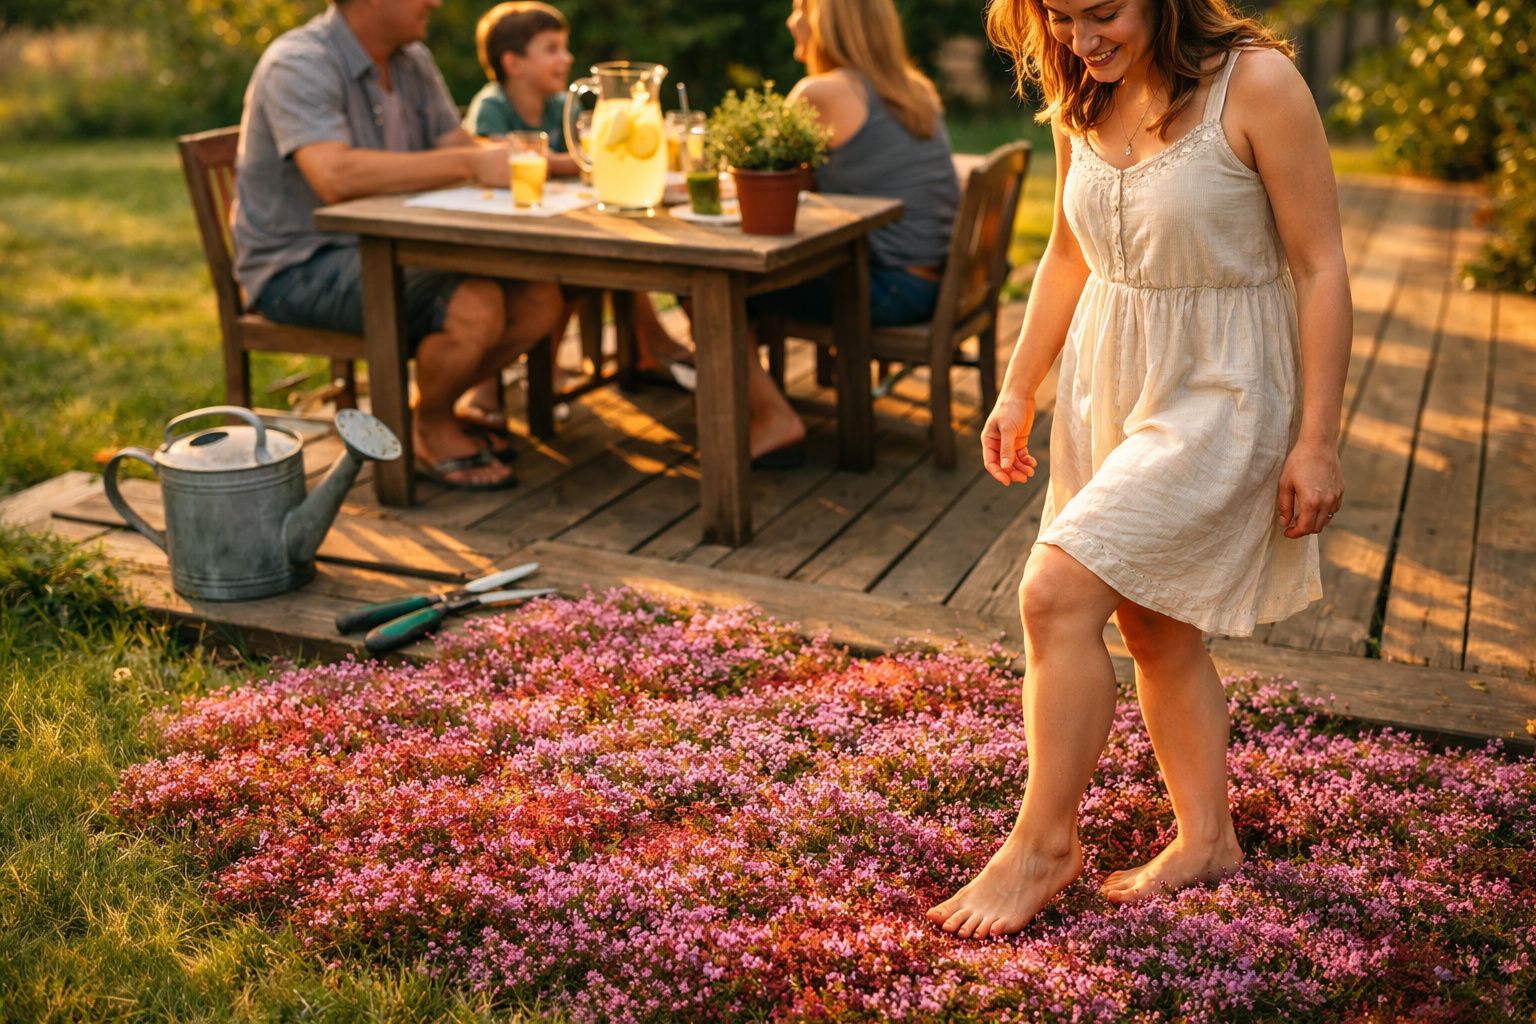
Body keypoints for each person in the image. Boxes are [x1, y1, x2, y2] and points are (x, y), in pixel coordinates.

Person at [927, 0, 1350, 937]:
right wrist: (1018, 386)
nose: (1082, 40)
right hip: (1108, 382)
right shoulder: (1085, 88)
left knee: (1052, 595)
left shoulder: (1260, 83)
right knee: (1154, 624)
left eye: (1104, 13)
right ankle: (1208, 839)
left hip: (1224, 390)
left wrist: (1317, 439)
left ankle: (1043, 844)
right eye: (1063, 17)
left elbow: (1321, 267)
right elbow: (1067, 255)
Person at [233, 0, 566, 491]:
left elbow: (457, 144)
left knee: (541, 299)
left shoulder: (413, 59)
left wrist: (566, 164)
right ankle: (429, 428)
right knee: (475, 305)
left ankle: (422, 412)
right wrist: (468, 165)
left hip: (397, 247)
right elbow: (334, 175)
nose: (435, 2)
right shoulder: (298, 62)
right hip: (299, 265)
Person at [455, 0, 699, 429]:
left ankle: (642, 349)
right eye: (551, 48)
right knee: (561, 274)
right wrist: (578, 161)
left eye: (565, 48)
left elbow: (571, 155)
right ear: (513, 63)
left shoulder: (554, 106)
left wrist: (575, 160)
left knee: (609, 258)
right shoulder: (491, 106)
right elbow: (499, 163)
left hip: (551, 221)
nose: (565, 58)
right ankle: (642, 351)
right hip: (500, 236)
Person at [738, 0, 961, 465]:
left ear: (829, 21)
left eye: (801, 6)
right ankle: (736, 390)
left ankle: (769, 414)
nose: (790, 19)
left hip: (891, 290)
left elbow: (765, 183)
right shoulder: (913, 87)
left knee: (719, 293)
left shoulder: (821, 93)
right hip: (935, 281)